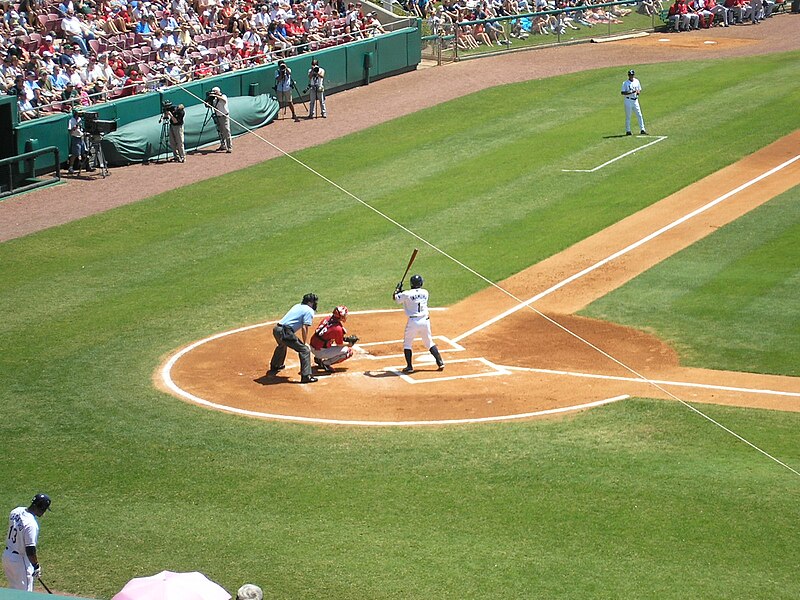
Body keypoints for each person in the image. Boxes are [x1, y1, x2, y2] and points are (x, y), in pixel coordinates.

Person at [393, 274, 444, 374]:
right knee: (429, 342)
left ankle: (409, 366)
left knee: (407, 344)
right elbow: (413, 296)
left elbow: (396, 298)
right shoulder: (425, 292)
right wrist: (401, 292)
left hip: (413, 322)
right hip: (425, 321)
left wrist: (397, 290)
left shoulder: (406, 294)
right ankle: (440, 361)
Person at [2, 494, 51, 592]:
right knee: (25, 594)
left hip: (7, 556)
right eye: (44, 509)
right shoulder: (31, 524)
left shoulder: (16, 511)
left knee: (14, 589)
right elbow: (30, 550)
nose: (44, 512)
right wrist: (35, 566)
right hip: (19, 561)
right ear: (40, 508)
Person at [269, 293, 319, 383]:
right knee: (304, 350)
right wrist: (304, 343)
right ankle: (306, 376)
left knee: (282, 345)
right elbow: (304, 327)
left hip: (277, 329)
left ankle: (275, 365)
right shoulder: (309, 310)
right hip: (285, 332)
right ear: (309, 303)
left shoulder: (297, 306)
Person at [310, 305, 357, 373]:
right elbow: (339, 344)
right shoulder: (338, 329)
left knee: (327, 339)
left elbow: (328, 333)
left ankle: (318, 359)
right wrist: (349, 344)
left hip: (313, 345)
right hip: (319, 351)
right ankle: (326, 363)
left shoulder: (327, 318)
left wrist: (344, 337)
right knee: (348, 352)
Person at [621, 69, 647, 136]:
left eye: (632, 75)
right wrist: (630, 92)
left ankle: (642, 129)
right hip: (628, 100)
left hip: (635, 100)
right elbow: (622, 92)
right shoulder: (625, 83)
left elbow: (639, 89)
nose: (631, 76)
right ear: (628, 75)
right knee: (628, 116)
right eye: (630, 75)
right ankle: (628, 131)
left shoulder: (636, 81)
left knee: (639, 115)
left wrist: (638, 93)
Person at [207, 86, 232, 152]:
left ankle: (229, 147)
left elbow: (224, 101)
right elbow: (209, 106)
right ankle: (223, 145)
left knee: (226, 131)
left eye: (215, 92)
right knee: (220, 132)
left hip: (224, 116)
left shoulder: (223, 96)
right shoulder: (214, 100)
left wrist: (216, 96)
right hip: (218, 117)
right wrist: (208, 101)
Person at [67, 107, 84, 174]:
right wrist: (74, 128)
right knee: (75, 154)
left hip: (81, 137)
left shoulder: (80, 119)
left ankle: (87, 166)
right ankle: (70, 167)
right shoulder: (71, 120)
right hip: (75, 138)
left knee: (85, 152)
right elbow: (70, 131)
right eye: (78, 113)